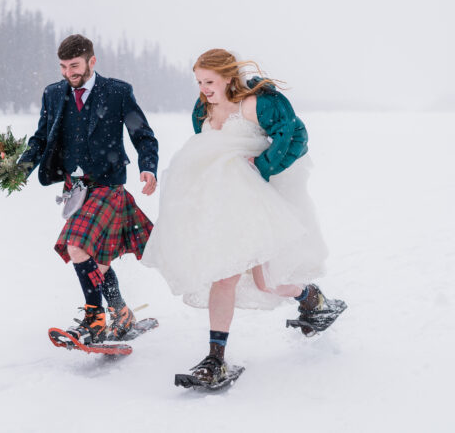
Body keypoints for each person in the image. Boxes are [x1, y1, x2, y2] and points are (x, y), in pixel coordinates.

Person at [142, 48, 345, 385]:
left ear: (228, 77)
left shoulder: (257, 102)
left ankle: (313, 299)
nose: (204, 89)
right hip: (221, 204)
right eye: (199, 82)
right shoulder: (202, 109)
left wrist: (264, 167)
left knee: (267, 281)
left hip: (257, 199)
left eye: (209, 81)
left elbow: (296, 136)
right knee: (225, 275)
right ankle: (215, 359)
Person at [18, 34, 159, 343]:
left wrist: (148, 166)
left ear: (92, 61)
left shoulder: (117, 92)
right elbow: (41, 139)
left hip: (108, 184)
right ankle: (121, 314)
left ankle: (94, 319)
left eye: (75, 65)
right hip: (76, 188)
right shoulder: (54, 94)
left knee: (78, 247)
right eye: (64, 67)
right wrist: (19, 169)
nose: (69, 73)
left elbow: (142, 134)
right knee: (94, 258)